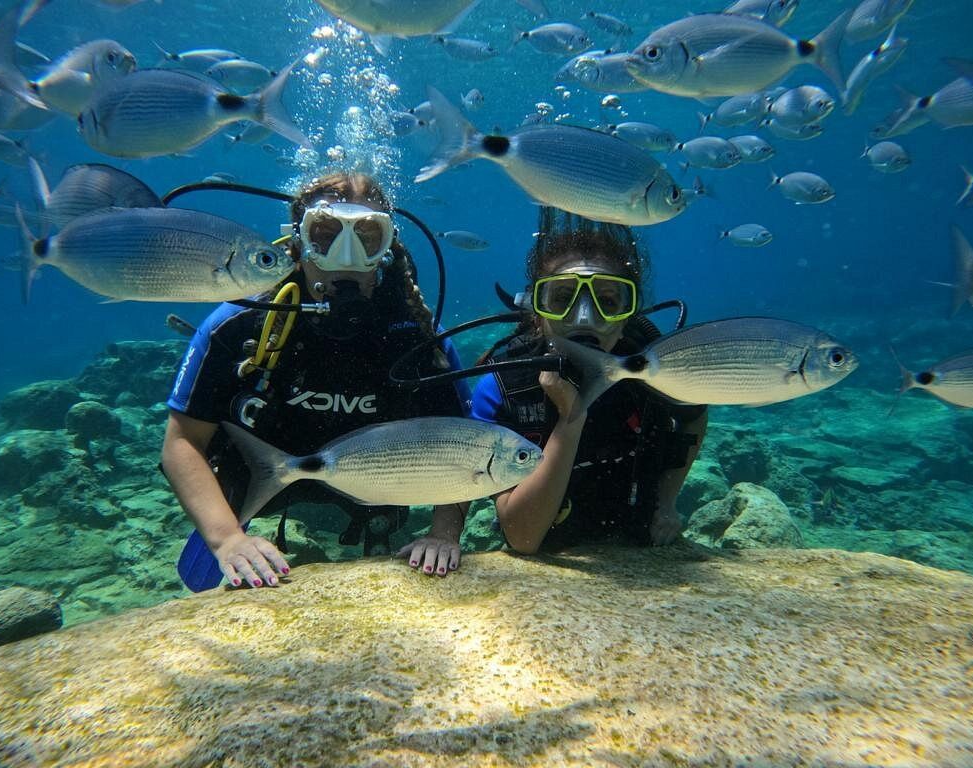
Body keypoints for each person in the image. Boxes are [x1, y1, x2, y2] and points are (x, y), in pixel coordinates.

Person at [161, 173, 470, 591]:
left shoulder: (416, 334)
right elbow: (182, 442)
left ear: (387, 247)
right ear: (297, 242)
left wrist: (444, 535)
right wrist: (227, 538)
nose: (346, 257)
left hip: (373, 488)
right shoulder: (239, 325)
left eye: (367, 238)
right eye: (324, 236)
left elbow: (462, 441)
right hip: (256, 481)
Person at [466, 207, 707, 555]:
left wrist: (666, 501)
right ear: (538, 313)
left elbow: (695, 414)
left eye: (608, 301)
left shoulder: (652, 371)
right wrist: (571, 417)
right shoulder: (501, 386)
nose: (584, 317)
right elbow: (523, 537)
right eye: (562, 299)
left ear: (627, 318)